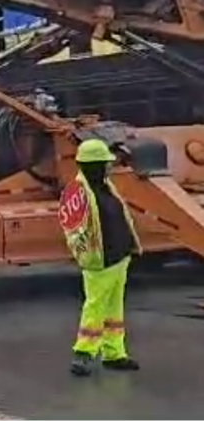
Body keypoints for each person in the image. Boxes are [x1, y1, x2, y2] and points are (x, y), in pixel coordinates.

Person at [60, 138, 142, 376]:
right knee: (95, 306)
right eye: (105, 163)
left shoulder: (105, 186)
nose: (109, 166)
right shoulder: (78, 193)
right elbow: (73, 230)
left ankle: (114, 353)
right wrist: (85, 256)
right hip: (100, 260)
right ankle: (83, 353)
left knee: (114, 310)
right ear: (93, 165)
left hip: (119, 257)